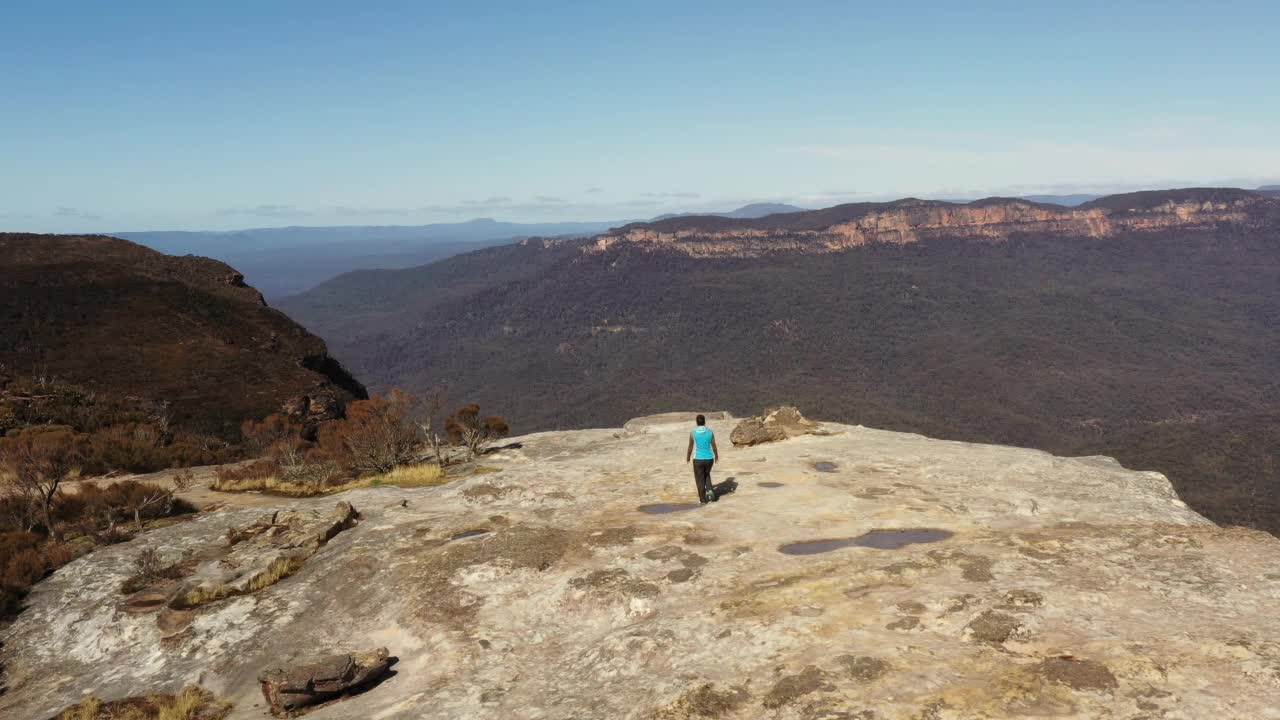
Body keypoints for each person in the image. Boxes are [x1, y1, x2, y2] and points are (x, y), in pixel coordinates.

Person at [685, 414, 720, 503]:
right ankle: (710, 490)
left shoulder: (693, 433)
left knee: (699, 479)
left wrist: (688, 457)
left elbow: (690, 447)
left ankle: (703, 500)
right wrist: (716, 456)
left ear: (697, 422)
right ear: (704, 421)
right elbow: (714, 446)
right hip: (709, 458)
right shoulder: (710, 432)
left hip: (698, 459)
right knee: (706, 474)